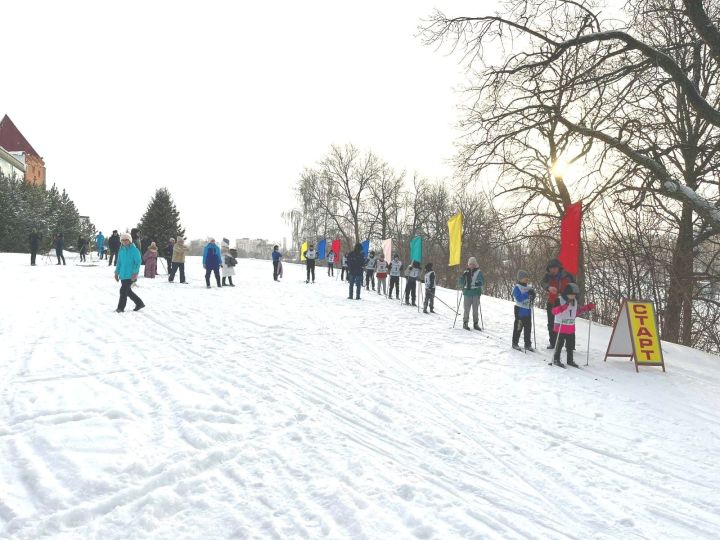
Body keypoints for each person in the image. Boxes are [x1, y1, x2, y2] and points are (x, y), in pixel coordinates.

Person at [551, 283, 595, 367]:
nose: (573, 296)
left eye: (574, 295)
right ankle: (556, 359)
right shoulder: (559, 300)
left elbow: (577, 312)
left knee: (570, 346)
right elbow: (553, 311)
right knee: (559, 344)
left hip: (570, 327)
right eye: (571, 295)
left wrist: (587, 308)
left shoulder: (574, 302)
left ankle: (570, 360)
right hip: (560, 326)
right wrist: (563, 307)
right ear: (566, 293)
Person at [541, 258, 576, 349]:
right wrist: (548, 287)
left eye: (554, 268)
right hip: (552, 303)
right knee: (552, 323)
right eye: (550, 268)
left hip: (566, 303)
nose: (552, 270)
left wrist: (571, 298)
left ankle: (569, 345)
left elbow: (574, 288)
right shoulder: (548, 276)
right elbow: (543, 283)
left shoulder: (568, 276)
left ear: (559, 268)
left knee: (567, 323)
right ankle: (553, 343)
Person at [115, 233, 144, 312]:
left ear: (130, 240)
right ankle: (139, 303)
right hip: (123, 274)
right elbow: (119, 262)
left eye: (126, 239)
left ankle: (120, 308)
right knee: (128, 291)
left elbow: (138, 262)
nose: (124, 241)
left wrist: (135, 273)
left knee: (123, 291)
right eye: (123, 240)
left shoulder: (134, 250)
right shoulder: (121, 250)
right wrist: (116, 272)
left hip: (131, 275)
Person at [512, 270, 536, 351]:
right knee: (518, 327)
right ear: (520, 278)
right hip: (520, 310)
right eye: (524, 277)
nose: (526, 279)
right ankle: (515, 343)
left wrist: (533, 295)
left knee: (528, 329)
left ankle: (527, 344)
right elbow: (518, 298)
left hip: (528, 310)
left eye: (527, 277)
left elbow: (532, 296)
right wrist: (528, 294)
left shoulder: (528, 287)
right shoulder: (517, 287)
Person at [459, 257, 484, 330]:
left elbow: (482, 281)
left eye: (473, 264)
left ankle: (475, 324)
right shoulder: (465, 272)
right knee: (466, 309)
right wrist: (462, 278)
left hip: (475, 293)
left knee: (475, 310)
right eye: (470, 264)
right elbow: (461, 282)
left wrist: (478, 283)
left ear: (475, 264)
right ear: (468, 264)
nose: (471, 265)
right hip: (467, 293)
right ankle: (465, 323)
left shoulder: (479, 272)